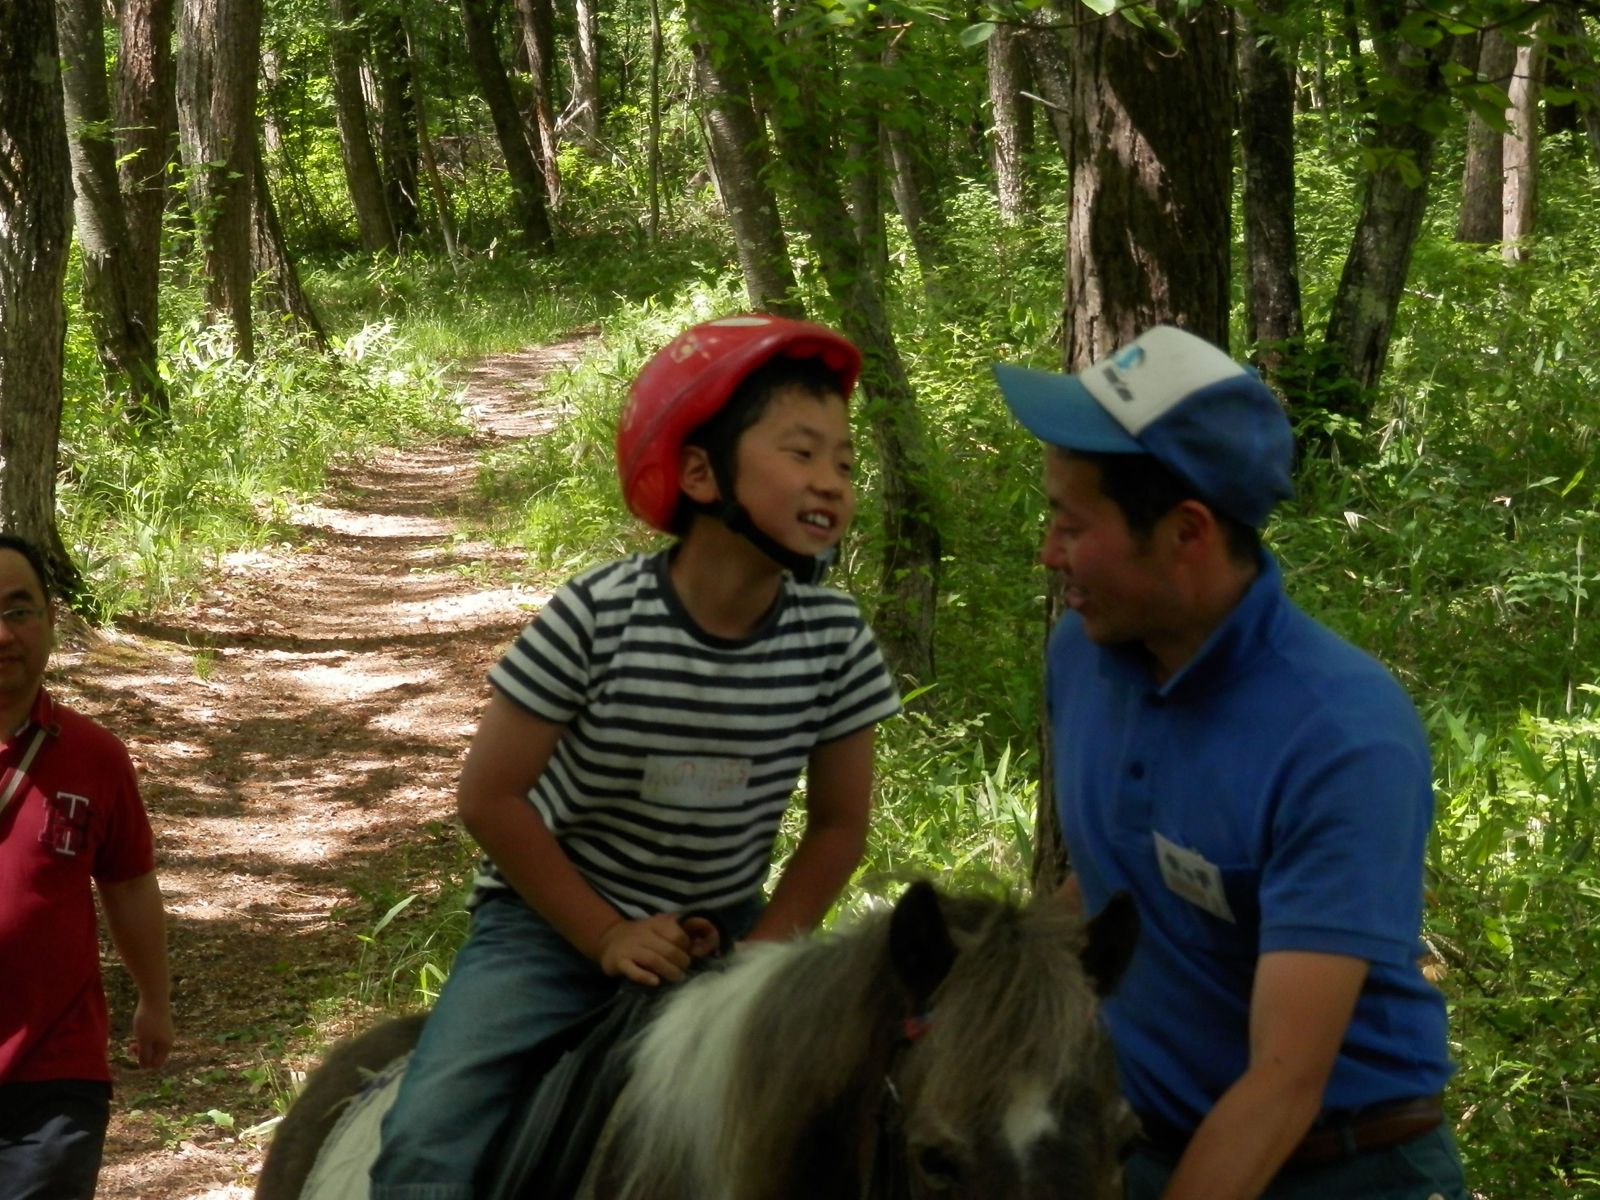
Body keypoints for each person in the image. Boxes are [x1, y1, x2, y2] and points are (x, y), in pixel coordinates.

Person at [371, 314, 901, 1199]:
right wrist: (606, 933)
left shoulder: (836, 638)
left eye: (844, 463)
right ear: (700, 474)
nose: (831, 481)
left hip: (726, 927)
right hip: (550, 932)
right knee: (429, 1142)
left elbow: (840, 826)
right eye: (802, 453)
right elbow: (491, 797)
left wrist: (764, 952)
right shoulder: (597, 616)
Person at [992, 326, 1464, 1200]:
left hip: (1344, 1168)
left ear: (1187, 532)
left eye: (1073, 524)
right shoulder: (1083, 657)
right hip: (1145, 1146)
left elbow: (1284, 1083)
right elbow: (1106, 882)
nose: (1049, 552)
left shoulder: (1338, 738)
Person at [0, 533, 174, 1200]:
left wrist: (154, 1000)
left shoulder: (95, 756)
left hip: (54, 1071)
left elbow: (128, 885)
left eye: (19, 610)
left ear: (50, 619)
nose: (3, 634)